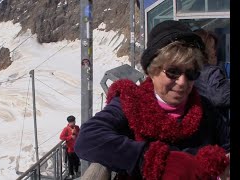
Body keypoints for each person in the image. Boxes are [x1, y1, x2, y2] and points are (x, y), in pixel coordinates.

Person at [74, 20, 230, 180]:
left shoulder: (206, 109)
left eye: (191, 73)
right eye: (173, 72)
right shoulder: (130, 102)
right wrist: (155, 160)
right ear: (152, 70)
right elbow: (88, 138)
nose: (183, 82)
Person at [193, 28, 230, 125]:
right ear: (205, 50)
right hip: (214, 127)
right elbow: (221, 97)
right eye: (212, 47)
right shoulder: (211, 72)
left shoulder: (190, 70)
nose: (215, 51)